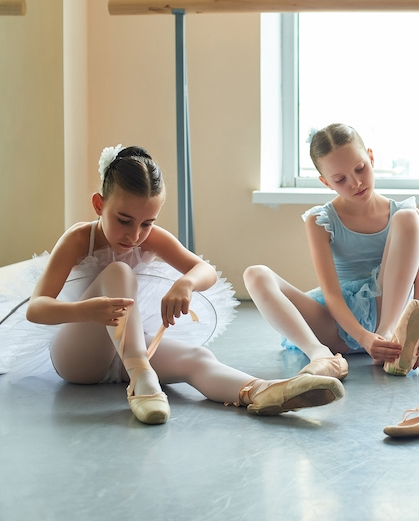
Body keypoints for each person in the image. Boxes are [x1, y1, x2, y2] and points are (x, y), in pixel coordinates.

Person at [18, 145, 344, 425]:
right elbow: (37, 308)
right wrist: (86, 311)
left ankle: (262, 391)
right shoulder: (78, 238)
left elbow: (205, 270)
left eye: (147, 223)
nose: (135, 236)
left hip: (128, 348)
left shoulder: (151, 239)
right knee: (119, 272)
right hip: (79, 356)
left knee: (197, 358)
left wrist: (185, 284)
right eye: (123, 221)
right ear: (99, 204)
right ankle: (142, 377)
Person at [244, 123, 419, 379]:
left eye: (360, 169)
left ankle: (387, 335)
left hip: (390, 318)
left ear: (370, 157)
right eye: (340, 179)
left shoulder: (405, 214)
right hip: (338, 327)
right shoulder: (320, 220)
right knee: (255, 274)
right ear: (325, 182)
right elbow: (332, 295)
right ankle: (319, 354)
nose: (356, 182)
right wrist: (363, 337)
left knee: (409, 217)